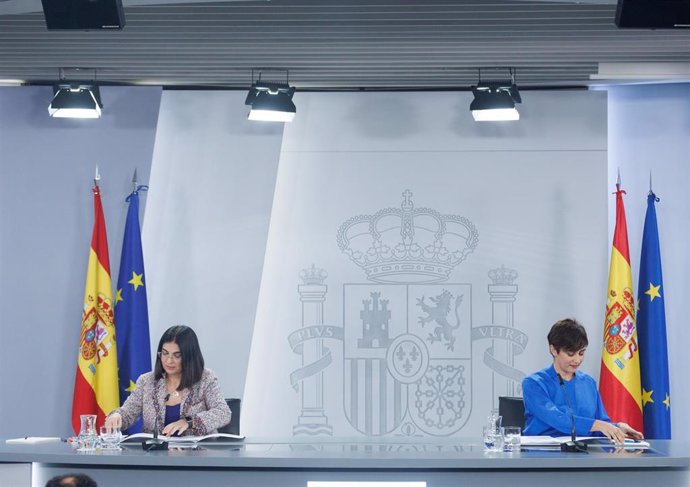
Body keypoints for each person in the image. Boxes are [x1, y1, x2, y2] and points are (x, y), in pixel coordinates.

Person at [522, 318, 643, 444]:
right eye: (570, 354)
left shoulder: (588, 382)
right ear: (553, 350)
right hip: (542, 455)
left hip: (583, 453)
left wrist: (616, 428)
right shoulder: (533, 383)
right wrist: (599, 425)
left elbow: (599, 423)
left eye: (581, 353)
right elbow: (557, 419)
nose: (577, 360)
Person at [105, 325, 231, 436]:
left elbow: (223, 413)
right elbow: (128, 413)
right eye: (165, 353)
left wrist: (189, 422)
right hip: (155, 457)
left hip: (197, 456)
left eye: (177, 355)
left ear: (189, 356)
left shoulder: (205, 379)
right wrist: (117, 416)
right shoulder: (147, 381)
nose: (168, 361)